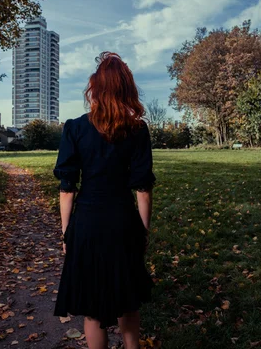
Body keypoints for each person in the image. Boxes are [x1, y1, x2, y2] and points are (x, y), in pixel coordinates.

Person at [53, 52, 156, 349]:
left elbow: (67, 187)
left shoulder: (75, 128)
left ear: (95, 88)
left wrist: (66, 231)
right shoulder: (137, 129)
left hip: (86, 223)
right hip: (123, 221)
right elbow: (143, 188)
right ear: (126, 88)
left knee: (93, 308)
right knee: (128, 301)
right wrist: (143, 230)